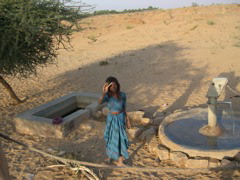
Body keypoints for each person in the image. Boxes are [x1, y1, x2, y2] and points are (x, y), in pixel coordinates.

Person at [98, 76, 131, 166]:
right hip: (111, 119)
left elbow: (124, 107)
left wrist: (128, 119)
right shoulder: (107, 96)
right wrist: (103, 93)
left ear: (117, 85)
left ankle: (120, 161)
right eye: (111, 86)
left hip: (120, 118)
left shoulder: (123, 95)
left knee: (120, 139)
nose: (114, 87)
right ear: (108, 87)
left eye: (115, 85)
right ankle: (109, 157)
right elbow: (99, 102)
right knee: (110, 138)